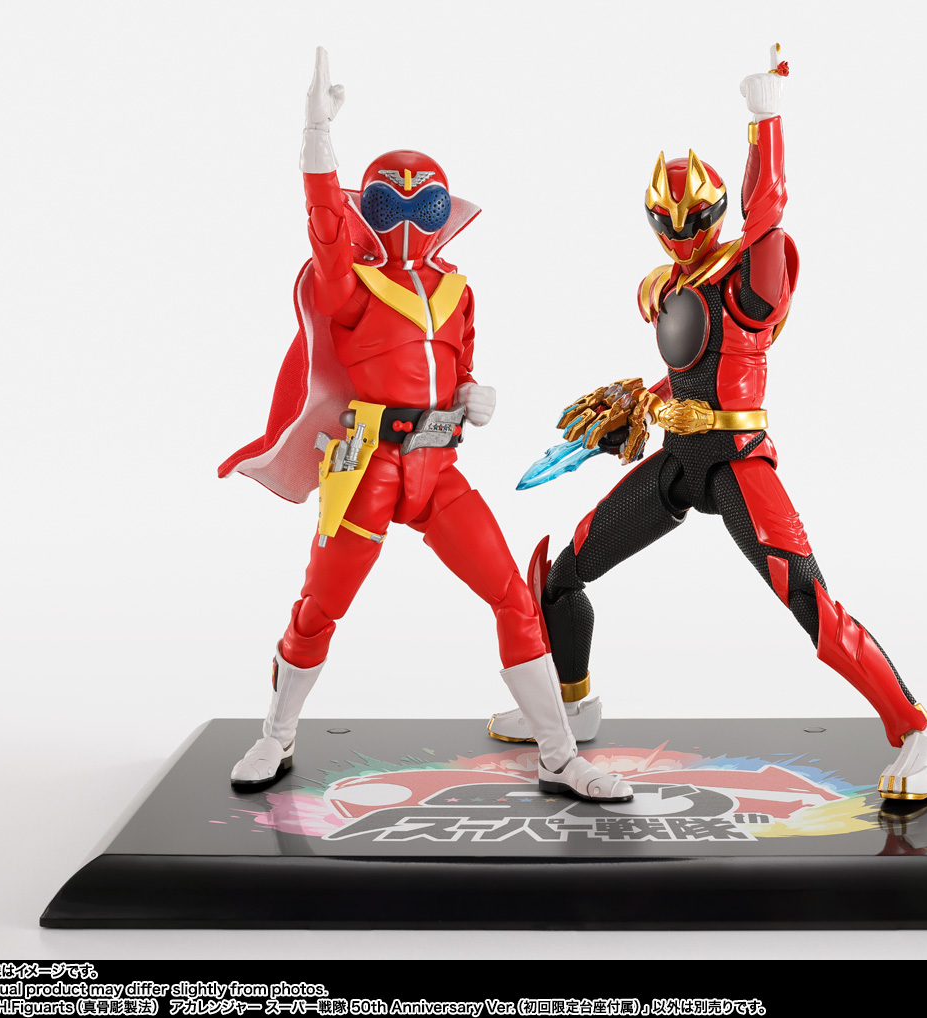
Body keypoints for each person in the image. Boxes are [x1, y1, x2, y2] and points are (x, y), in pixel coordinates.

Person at [488, 49, 927, 802]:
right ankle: (572, 704)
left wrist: (766, 119)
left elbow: (768, 213)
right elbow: (688, 373)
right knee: (565, 572)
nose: (680, 231)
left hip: (737, 461)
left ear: (717, 211)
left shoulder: (748, 277)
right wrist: (639, 405)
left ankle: (918, 735)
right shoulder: (666, 286)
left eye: (695, 217)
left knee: (810, 602)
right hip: (679, 462)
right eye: (666, 220)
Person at [219, 48, 631, 804]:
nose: (408, 221)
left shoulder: (457, 289)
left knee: (512, 594)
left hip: (437, 468)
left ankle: (558, 754)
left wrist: (475, 394)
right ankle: (276, 733)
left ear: (445, 212)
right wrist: (317, 138)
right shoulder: (351, 283)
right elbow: (323, 225)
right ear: (368, 210)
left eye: (426, 206)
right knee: (320, 605)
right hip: (368, 464)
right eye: (389, 207)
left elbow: (461, 364)